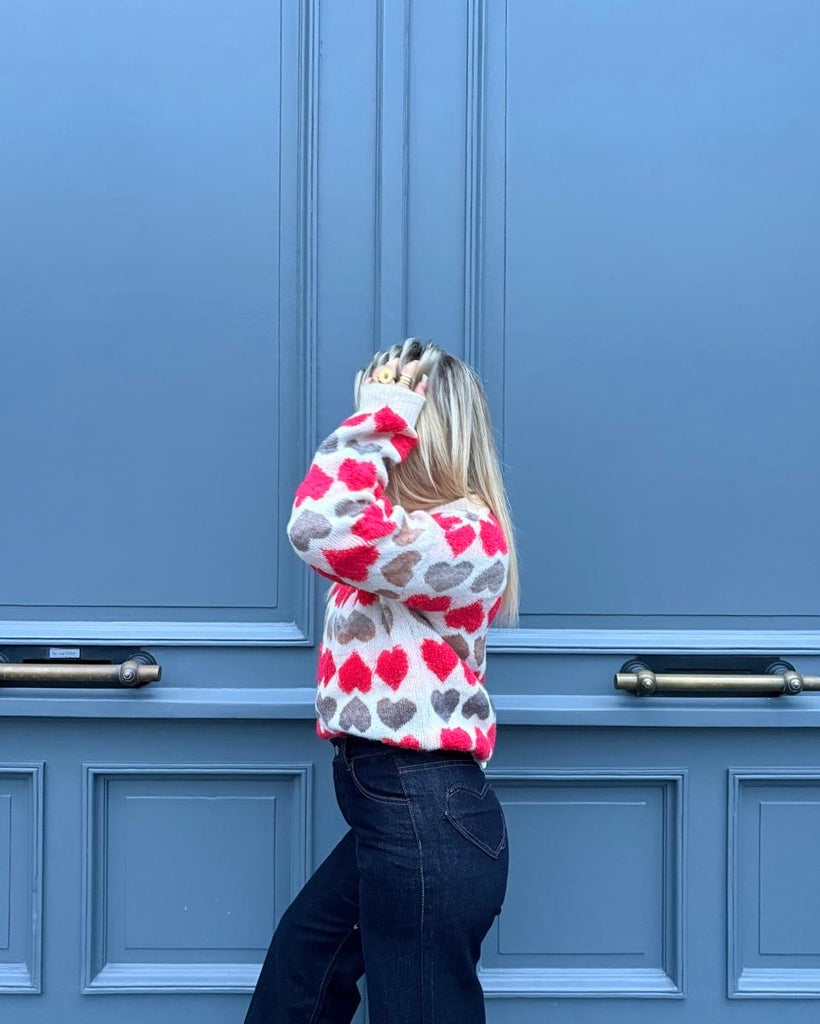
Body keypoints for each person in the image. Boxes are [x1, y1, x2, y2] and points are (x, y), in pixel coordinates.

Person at [243, 338, 519, 1024]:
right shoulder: (404, 538)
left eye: (389, 418)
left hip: (424, 806)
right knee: (301, 973)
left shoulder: (467, 538)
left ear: (421, 431)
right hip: (399, 809)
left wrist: (379, 417)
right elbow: (341, 528)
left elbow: (318, 525)